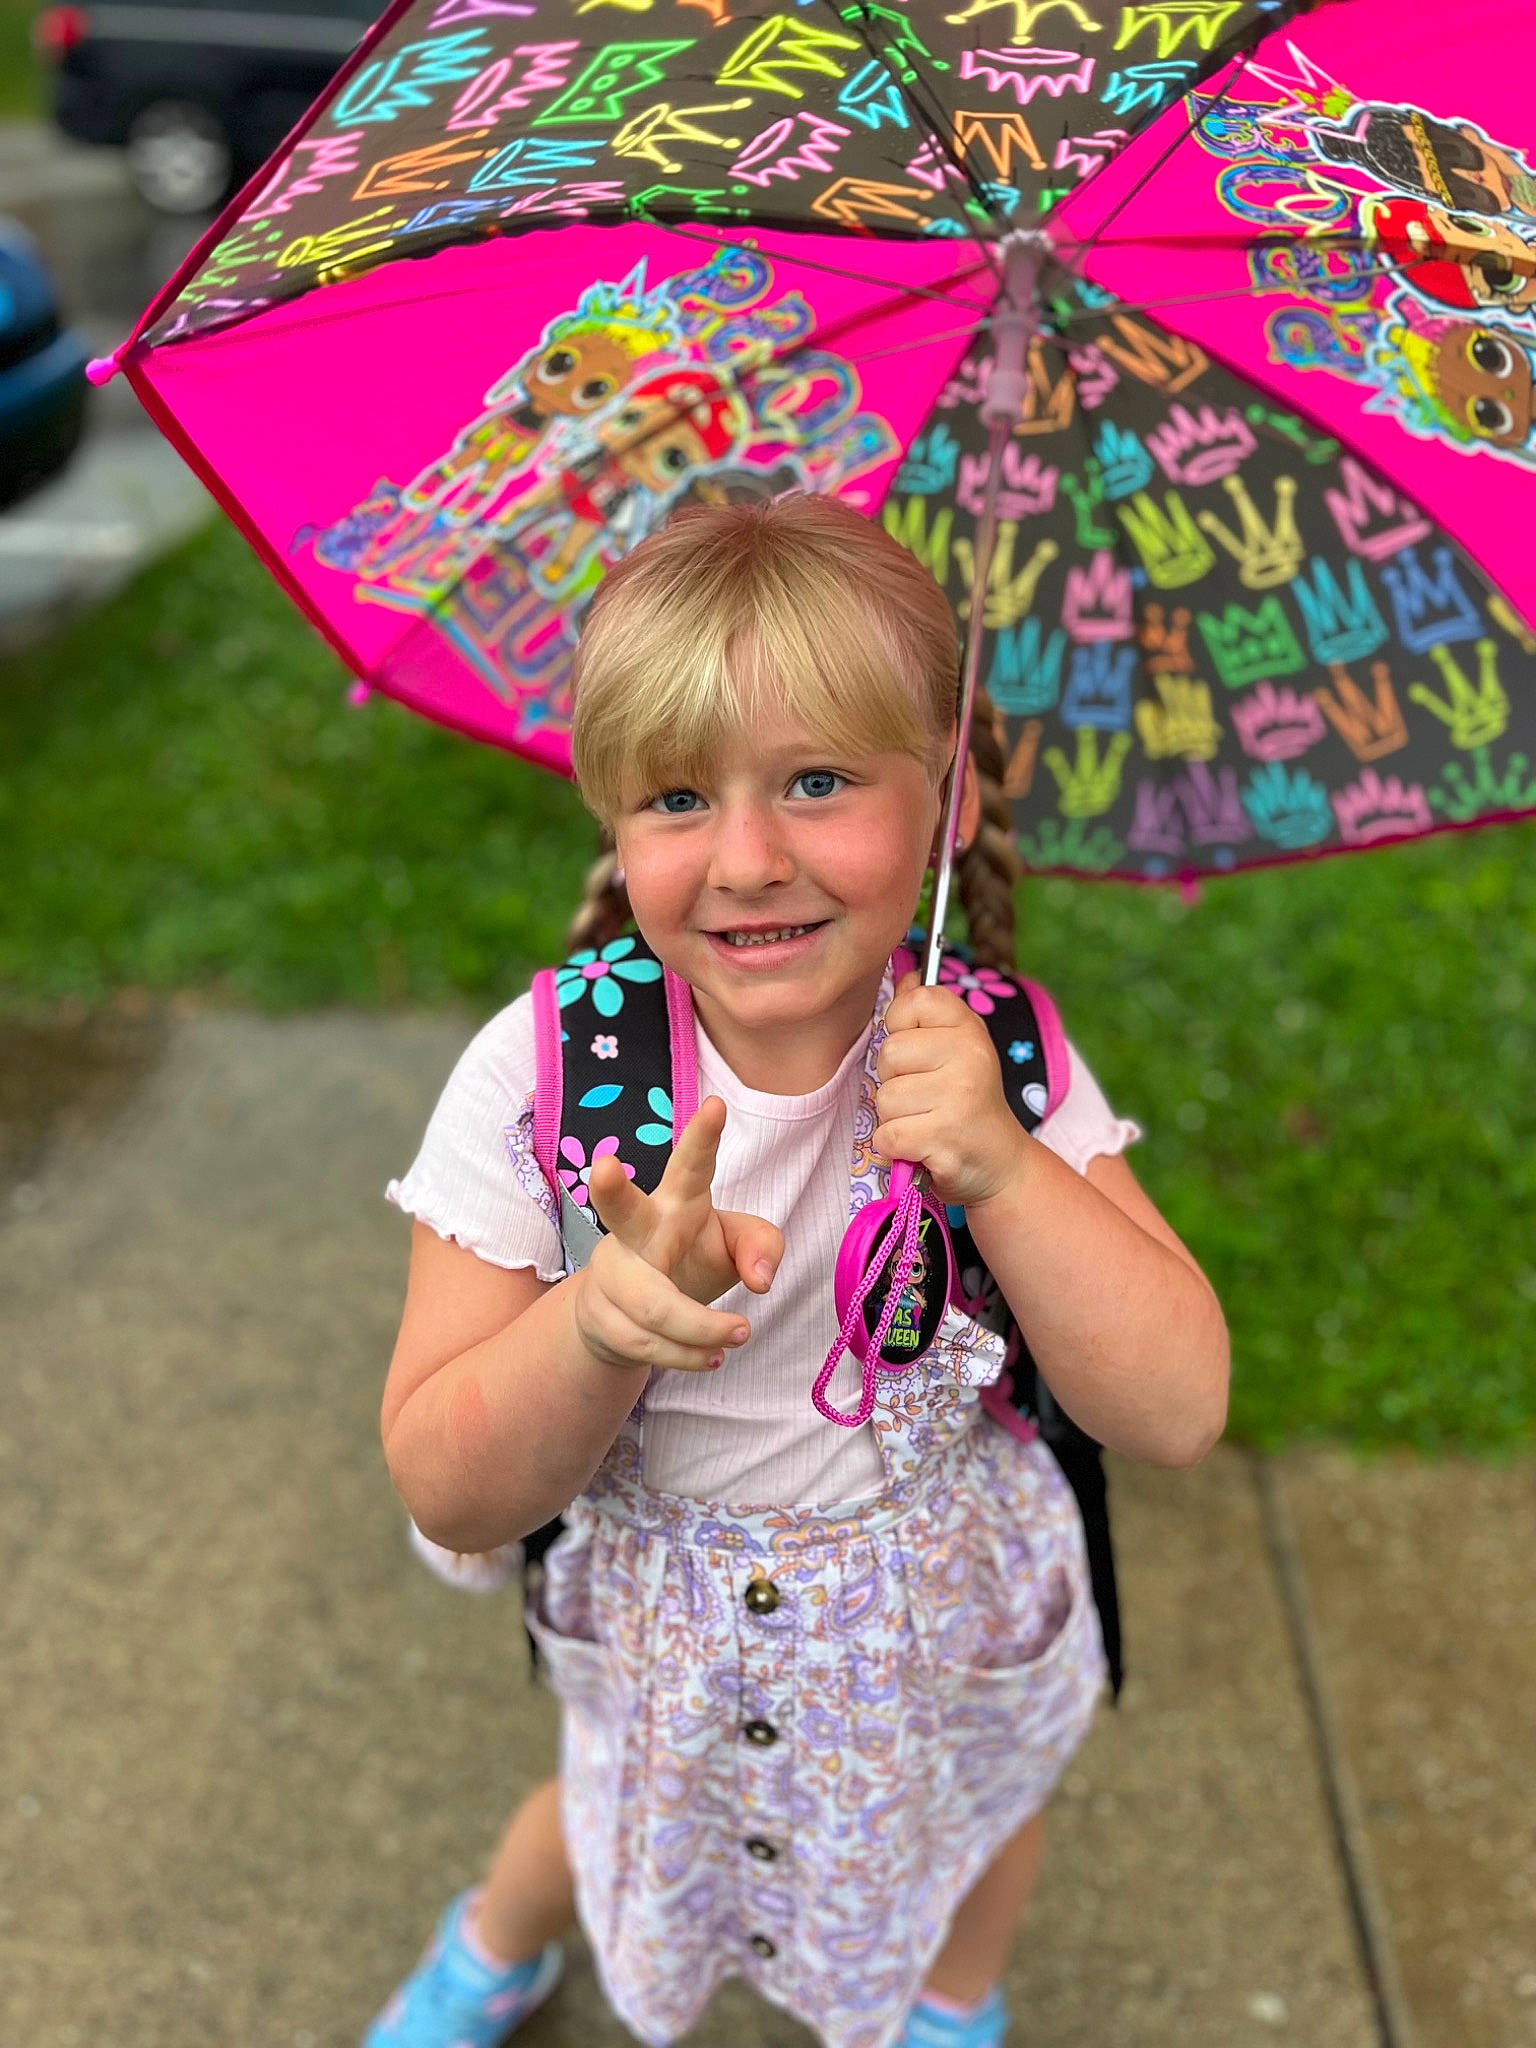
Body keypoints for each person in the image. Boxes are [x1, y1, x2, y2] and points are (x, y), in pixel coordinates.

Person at [368, 493, 1230, 2048]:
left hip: (939, 1625)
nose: (752, 858)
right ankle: (495, 1945)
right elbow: (447, 1480)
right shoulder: (545, 1077)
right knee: (607, 1820)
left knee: (982, 1810)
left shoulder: (1001, 1061)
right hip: (670, 1642)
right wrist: (598, 1326)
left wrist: (1006, 1169)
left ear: (949, 800)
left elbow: (1173, 1408)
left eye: (820, 782)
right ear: (615, 826)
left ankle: (951, 2003)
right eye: (679, 799)